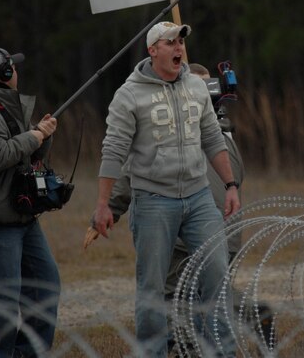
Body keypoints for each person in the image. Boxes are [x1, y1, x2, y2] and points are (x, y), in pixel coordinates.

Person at [93, 21, 241, 357]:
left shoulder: (196, 87)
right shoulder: (129, 94)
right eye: (170, 42)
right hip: (153, 201)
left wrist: (230, 184)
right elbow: (114, 150)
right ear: (153, 50)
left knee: (217, 270)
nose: (178, 48)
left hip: (200, 196)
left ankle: (221, 352)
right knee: (152, 287)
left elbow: (212, 138)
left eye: (181, 43)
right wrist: (104, 204)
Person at [0, 47, 60, 358]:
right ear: (4, 74)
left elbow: (23, 158)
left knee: (45, 288)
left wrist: (42, 138)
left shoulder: (9, 105)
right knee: (3, 303)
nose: (17, 71)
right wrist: (33, 137)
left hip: (23, 216)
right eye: (12, 67)